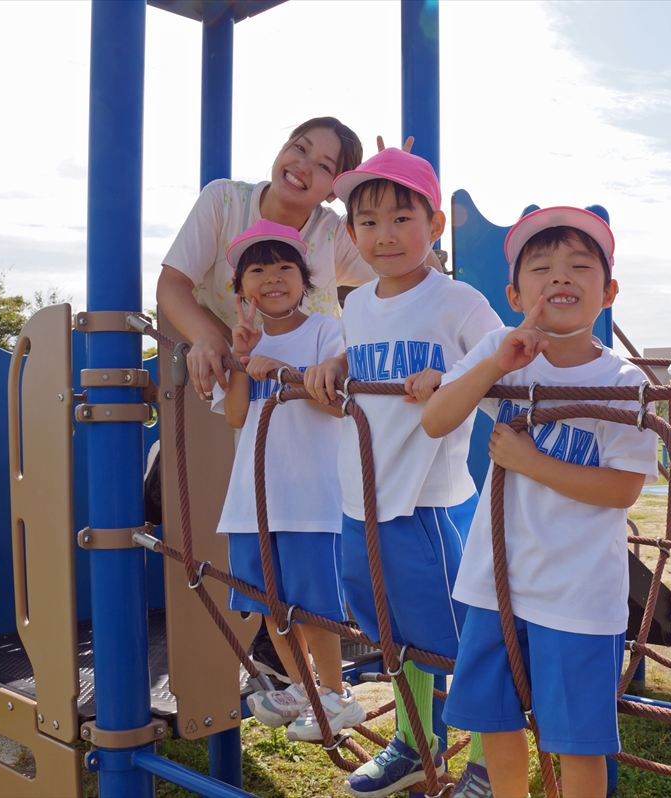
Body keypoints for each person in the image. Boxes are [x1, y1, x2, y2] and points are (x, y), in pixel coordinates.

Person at [424, 207, 657, 798]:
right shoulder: (500, 349)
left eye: (580, 266)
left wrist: (532, 463)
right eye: (543, 267)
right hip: (493, 583)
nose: (561, 277)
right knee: (493, 718)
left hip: (578, 595)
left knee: (579, 740)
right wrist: (497, 366)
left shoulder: (623, 382)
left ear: (607, 292)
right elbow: (436, 419)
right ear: (514, 292)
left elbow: (623, 488)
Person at [303, 148, 503, 798]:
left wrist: (450, 379)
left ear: (435, 223)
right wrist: (334, 369)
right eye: (367, 222)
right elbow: (346, 360)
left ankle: (490, 765)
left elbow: (506, 369)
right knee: (394, 635)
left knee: (465, 641)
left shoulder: (459, 302)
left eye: (400, 218)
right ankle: (417, 745)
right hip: (361, 496)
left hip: (429, 501)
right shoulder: (356, 305)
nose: (383, 235)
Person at [211, 221, 365, 739]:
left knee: (314, 605)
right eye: (258, 270)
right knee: (271, 605)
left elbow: (337, 403)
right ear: (241, 290)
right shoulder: (244, 344)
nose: (273, 279)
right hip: (253, 497)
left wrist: (279, 368)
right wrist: (241, 360)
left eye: (284, 268)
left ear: (306, 280)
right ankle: (304, 688)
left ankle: (336, 694)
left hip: (311, 494)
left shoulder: (325, 331)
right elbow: (236, 414)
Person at [159, 116, 372, 401]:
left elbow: (414, 268)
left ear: (335, 191)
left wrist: (393, 193)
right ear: (283, 148)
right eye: (299, 148)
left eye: (323, 166)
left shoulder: (333, 233)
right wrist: (206, 336)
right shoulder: (225, 203)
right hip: (249, 381)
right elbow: (173, 282)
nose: (303, 166)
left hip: (319, 390)